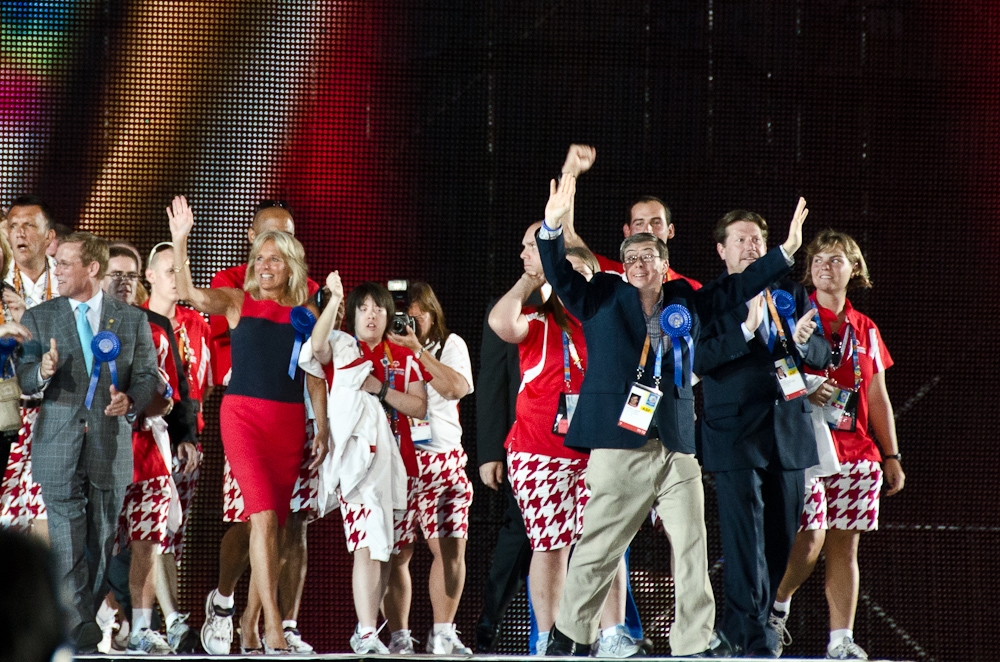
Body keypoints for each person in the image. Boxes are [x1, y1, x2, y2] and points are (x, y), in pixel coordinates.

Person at [535, 166, 812, 657]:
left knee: (692, 546)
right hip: (620, 443)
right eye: (632, 257)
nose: (640, 262)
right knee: (599, 549)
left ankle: (692, 641)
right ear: (623, 266)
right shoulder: (601, 296)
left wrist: (784, 253)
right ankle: (569, 635)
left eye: (650, 256)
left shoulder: (685, 300)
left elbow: (735, 288)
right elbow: (560, 275)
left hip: (676, 446)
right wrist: (552, 229)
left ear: (666, 266)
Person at [166, 196, 329, 654]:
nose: (265, 262)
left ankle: (254, 623)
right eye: (259, 253)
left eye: (276, 253)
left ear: (292, 254)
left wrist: (326, 424)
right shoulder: (236, 296)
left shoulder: (309, 303)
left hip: (290, 421)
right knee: (260, 517)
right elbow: (191, 296)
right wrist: (181, 241)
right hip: (243, 418)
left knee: (275, 525)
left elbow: (315, 365)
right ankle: (273, 626)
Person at [491, 230, 638, 657]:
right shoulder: (538, 321)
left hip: (600, 453)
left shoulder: (610, 328)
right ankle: (548, 638)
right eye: (568, 273)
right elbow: (502, 322)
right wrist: (533, 278)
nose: (579, 282)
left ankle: (612, 634)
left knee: (606, 545)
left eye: (586, 274)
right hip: (540, 453)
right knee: (551, 545)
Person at [693, 210, 832, 657]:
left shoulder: (790, 292)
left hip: (788, 430)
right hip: (734, 431)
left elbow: (820, 351)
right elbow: (697, 360)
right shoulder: (708, 298)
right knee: (743, 536)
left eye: (758, 240)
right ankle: (754, 636)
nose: (751, 247)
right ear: (721, 249)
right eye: (741, 240)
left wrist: (805, 339)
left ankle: (744, 626)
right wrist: (746, 330)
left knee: (780, 535)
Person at [17, 231, 159, 652]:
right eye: (55, 264)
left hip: (108, 444)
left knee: (100, 539)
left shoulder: (130, 319)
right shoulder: (41, 317)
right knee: (66, 535)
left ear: (92, 269)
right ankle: (78, 625)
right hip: (58, 443)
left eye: (63, 264)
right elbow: (24, 376)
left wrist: (130, 399)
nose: (55, 270)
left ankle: (80, 619)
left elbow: (148, 375)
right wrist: (42, 371)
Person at [770, 230, 905, 660]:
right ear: (808, 271)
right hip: (807, 447)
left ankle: (840, 641)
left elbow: (878, 397)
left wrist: (892, 455)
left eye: (837, 260)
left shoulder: (865, 329)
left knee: (845, 548)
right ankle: (775, 610)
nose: (826, 267)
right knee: (809, 541)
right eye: (819, 260)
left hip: (859, 452)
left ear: (855, 269)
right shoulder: (792, 316)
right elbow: (771, 373)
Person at [303, 277, 427, 654]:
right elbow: (317, 345)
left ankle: (373, 627)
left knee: (387, 549)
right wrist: (335, 299)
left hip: (402, 465)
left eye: (378, 308)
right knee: (367, 545)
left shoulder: (405, 355)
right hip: (360, 465)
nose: (371, 315)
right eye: (362, 308)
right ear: (351, 316)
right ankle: (368, 631)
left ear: (389, 313)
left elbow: (419, 407)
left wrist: (382, 390)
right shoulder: (344, 349)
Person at [101, 245, 195, 654]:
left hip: (146, 449)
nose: (123, 282)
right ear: (97, 275)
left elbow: (171, 396)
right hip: (98, 452)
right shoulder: (82, 324)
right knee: (96, 544)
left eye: (130, 275)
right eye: (114, 274)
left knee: (147, 540)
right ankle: (96, 616)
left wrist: (146, 402)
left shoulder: (155, 328)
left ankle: (142, 626)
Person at [381, 282, 475, 654]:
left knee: (450, 548)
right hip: (399, 461)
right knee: (396, 552)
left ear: (432, 315)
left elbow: (456, 389)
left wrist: (417, 350)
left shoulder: (450, 344)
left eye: (416, 317)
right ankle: (400, 637)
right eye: (403, 317)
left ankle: (443, 632)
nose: (408, 324)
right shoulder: (383, 348)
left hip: (444, 459)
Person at [144, 241, 210, 652]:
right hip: (145, 433)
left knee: (171, 533)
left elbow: (199, 384)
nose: (176, 276)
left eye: (181, 269)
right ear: (149, 276)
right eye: (168, 269)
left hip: (184, 440)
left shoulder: (196, 323)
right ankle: (167, 618)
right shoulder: (135, 320)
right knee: (147, 531)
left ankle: (167, 619)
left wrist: (190, 436)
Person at [556, 146, 701, 288]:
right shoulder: (612, 275)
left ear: (670, 230)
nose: (648, 229)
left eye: (656, 222)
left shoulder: (690, 289)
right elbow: (567, 234)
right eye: (639, 223)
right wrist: (570, 172)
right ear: (627, 231)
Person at [1, 195, 59, 540]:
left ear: (49, 236)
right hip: (8, 413)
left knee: (46, 511)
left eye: (29, 225)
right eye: (14, 225)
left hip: (53, 415)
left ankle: (42, 594)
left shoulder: (67, 284)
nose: (20, 233)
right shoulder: (1, 286)